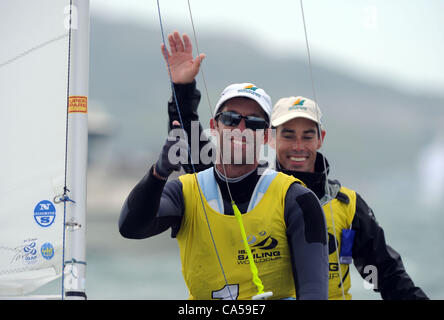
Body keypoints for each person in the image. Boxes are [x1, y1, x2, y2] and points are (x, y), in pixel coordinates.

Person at [165, 33, 429, 300]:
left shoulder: (347, 207)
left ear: (321, 139)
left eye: (308, 135)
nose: (298, 146)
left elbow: (383, 274)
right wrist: (183, 89)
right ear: (270, 137)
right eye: (288, 135)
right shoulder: (250, 189)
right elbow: (194, 152)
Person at [118, 32, 329, 300]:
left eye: (253, 123)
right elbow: (131, 228)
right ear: (214, 126)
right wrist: (158, 173)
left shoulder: (296, 200)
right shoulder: (184, 193)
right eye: (230, 118)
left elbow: (314, 292)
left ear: (265, 135)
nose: (241, 128)